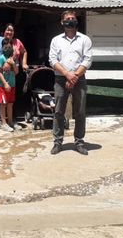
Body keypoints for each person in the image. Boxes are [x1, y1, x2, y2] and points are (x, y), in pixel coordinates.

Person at [48, 10, 93, 155]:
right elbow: (53, 60)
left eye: (73, 18)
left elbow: (87, 60)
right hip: (61, 78)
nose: (70, 20)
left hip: (79, 79)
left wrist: (74, 76)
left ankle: (79, 142)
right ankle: (58, 142)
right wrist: (67, 74)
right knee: (59, 111)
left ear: (76, 21)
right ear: (62, 22)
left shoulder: (85, 39)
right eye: (67, 19)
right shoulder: (56, 40)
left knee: (80, 111)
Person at [0, 39, 18, 132]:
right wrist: (5, 83)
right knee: (3, 104)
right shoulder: (1, 58)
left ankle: (10, 122)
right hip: (3, 86)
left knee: (10, 104)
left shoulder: (13, 59)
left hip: (12, 85)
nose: (8, 49)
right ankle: (4, 123)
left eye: (9, 47)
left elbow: (16, 72)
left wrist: (13, 64)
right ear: (2, 48)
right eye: (5, 47)